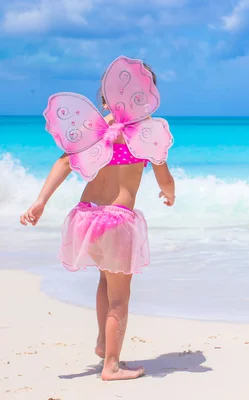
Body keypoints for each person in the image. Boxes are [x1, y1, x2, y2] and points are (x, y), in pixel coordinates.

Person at [20, 56, 175, 380]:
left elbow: (64, 162)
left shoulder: (93, 127)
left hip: (86, 215)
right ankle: (112, 366)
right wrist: (169, 193)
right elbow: (162, 173)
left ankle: (104, 343)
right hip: (117, 220)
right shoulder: (146, 134)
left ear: (104, 97)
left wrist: (41, 201)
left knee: (105, 279)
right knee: (120, 294)